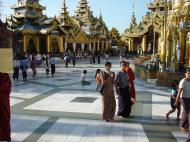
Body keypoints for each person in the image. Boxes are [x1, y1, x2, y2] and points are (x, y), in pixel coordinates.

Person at [176, 68, 190, 136]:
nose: (189, 75)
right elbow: (179, 92)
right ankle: (182, 125)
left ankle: (185, 126)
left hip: (189, 98)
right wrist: (176, 101)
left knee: (186, 111)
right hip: (183, 99)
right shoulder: (183, 81)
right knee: (187, 111)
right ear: (185, 74)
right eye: (188, 74)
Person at [0, 72, 11, 142]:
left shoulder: (5, 76)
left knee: (4, 119)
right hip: (3, 102)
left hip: (2, 102)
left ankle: (6, 136)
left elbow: (6, 88)